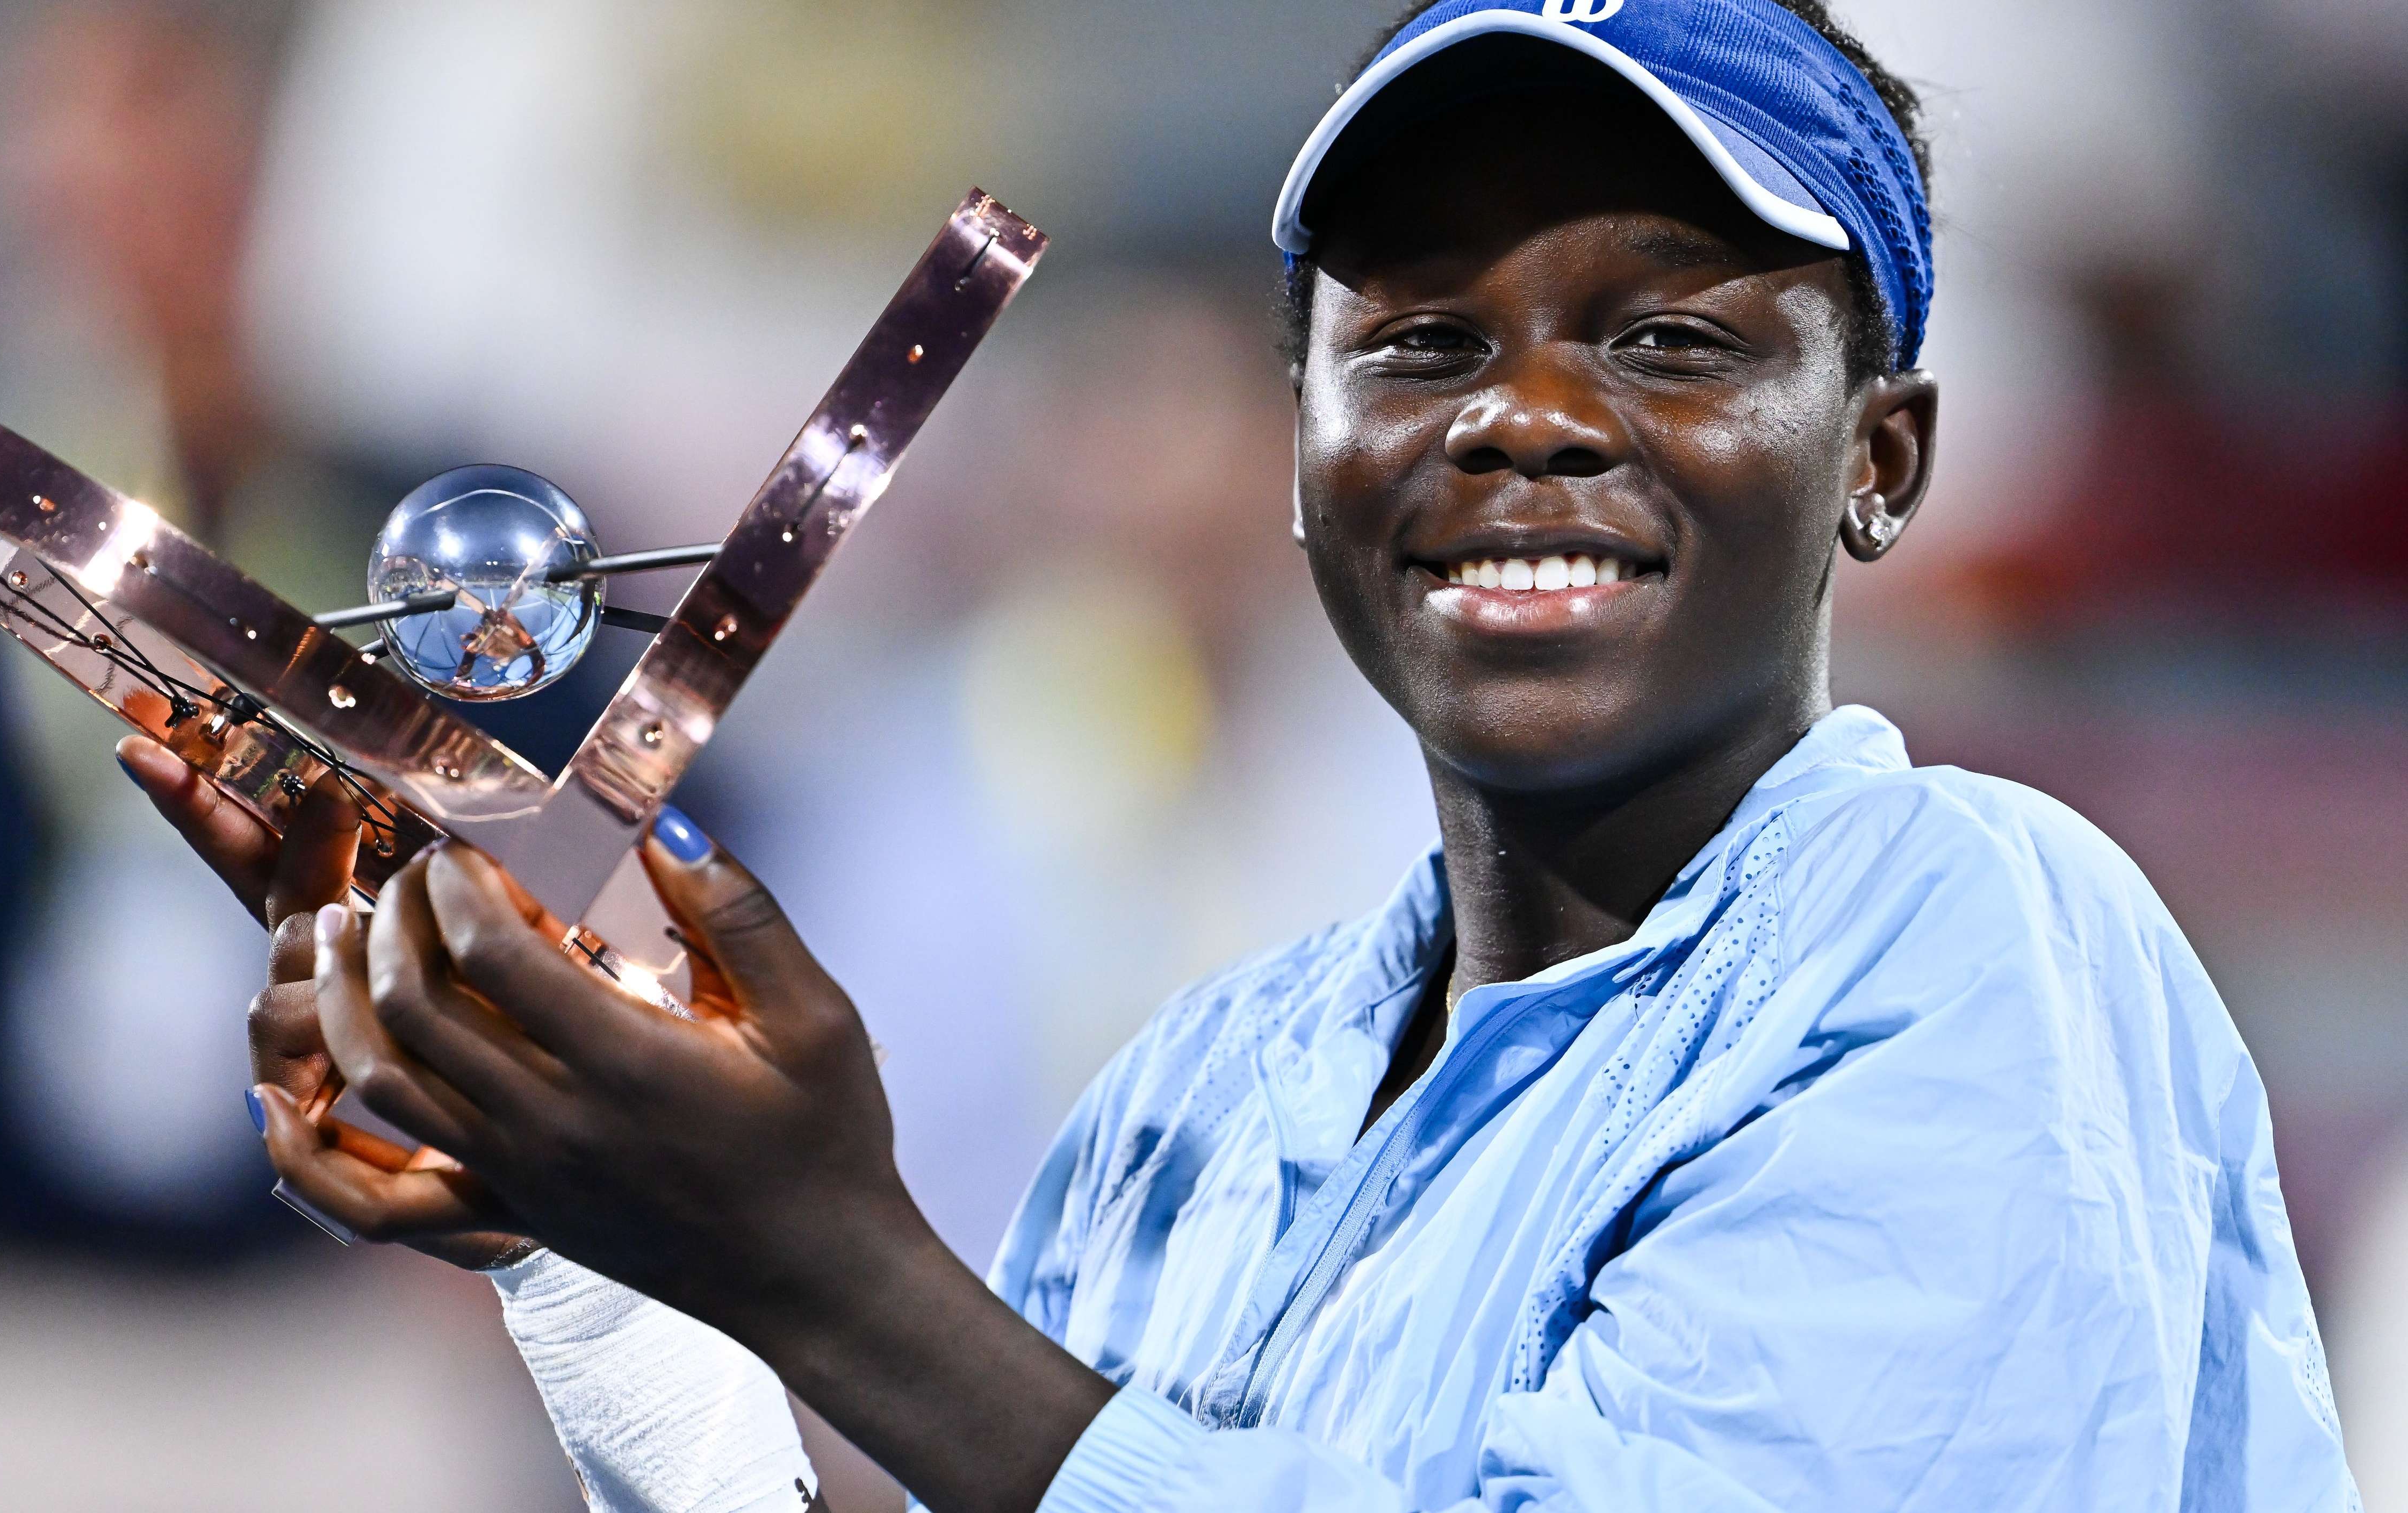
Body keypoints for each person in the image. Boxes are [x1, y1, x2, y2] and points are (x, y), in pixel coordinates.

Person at [119, 0, 2359, 1508]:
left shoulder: (1978, 939)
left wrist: (833, 1269)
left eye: (1671, 332)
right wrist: (595, 1243)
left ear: (1882, 458)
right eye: (1416, 337)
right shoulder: (1206, 1097)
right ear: (1303, 457)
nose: (1528, 412)